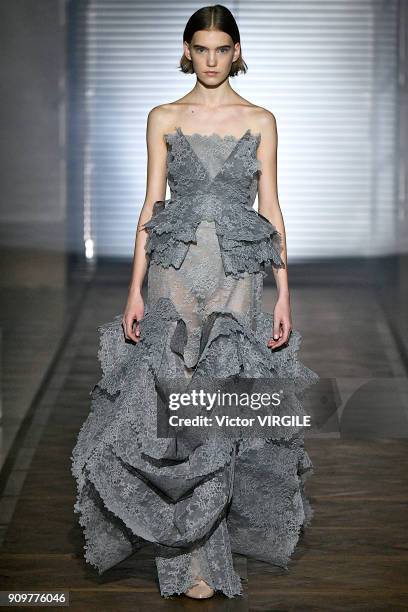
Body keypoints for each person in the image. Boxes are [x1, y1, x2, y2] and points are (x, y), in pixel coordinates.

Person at [71, 4, 320, 601]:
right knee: (174, 411)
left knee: (222, 409)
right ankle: (186, 560)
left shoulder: (261, 120)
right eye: (201, 48)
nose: (211, 60)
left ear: (236, 52)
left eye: (221, 49)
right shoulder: (163, 117)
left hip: (237, 275)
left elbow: (274, 211)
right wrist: (132, 288)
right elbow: (151, 206)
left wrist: (285, 292)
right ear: (188, 50)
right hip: (173, 273)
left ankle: (201, 554)